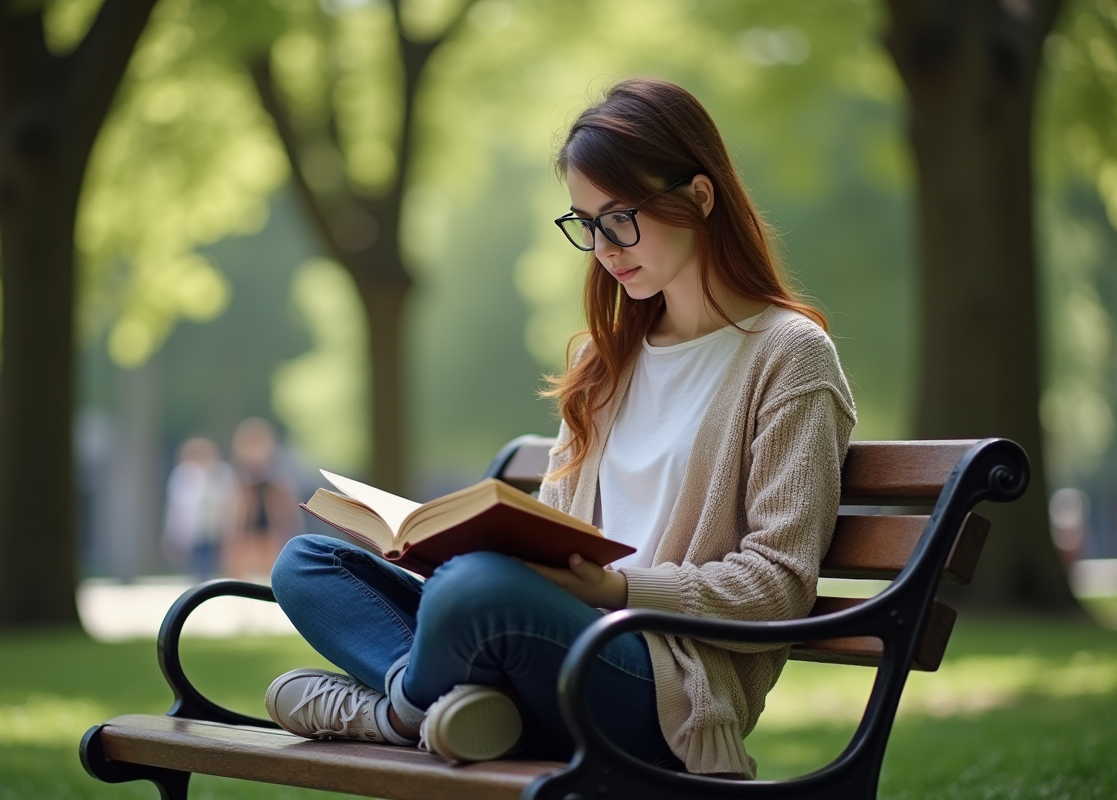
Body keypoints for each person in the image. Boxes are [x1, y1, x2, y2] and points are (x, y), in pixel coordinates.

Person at [264, 77, 855, 778]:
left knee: (474, 591)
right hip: (546, 639)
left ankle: (388, 716)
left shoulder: (788, 356)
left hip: (664, 683)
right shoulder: (603, 361)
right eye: (585, 222)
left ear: (699, 196)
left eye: (620, 218)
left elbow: (780, 582)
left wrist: (617, 592)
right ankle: (458, 713)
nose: (604, 246)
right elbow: (551, 529)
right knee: (308, 564)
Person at [226, 417, 300, 581]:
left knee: (272, 572)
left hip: (270, 531)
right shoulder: (240, 481)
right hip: (247, 533)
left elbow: (287, 512)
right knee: (243, 576)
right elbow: (235, 515)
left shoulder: (277, 479)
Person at [161, 436, 237, 582]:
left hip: (217, 530)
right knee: (197, 567)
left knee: (216, 567)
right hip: (194, 532)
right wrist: (171, 534)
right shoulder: (183, 475)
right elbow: (176, 509)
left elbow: (228, 501)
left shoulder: (222, 472)